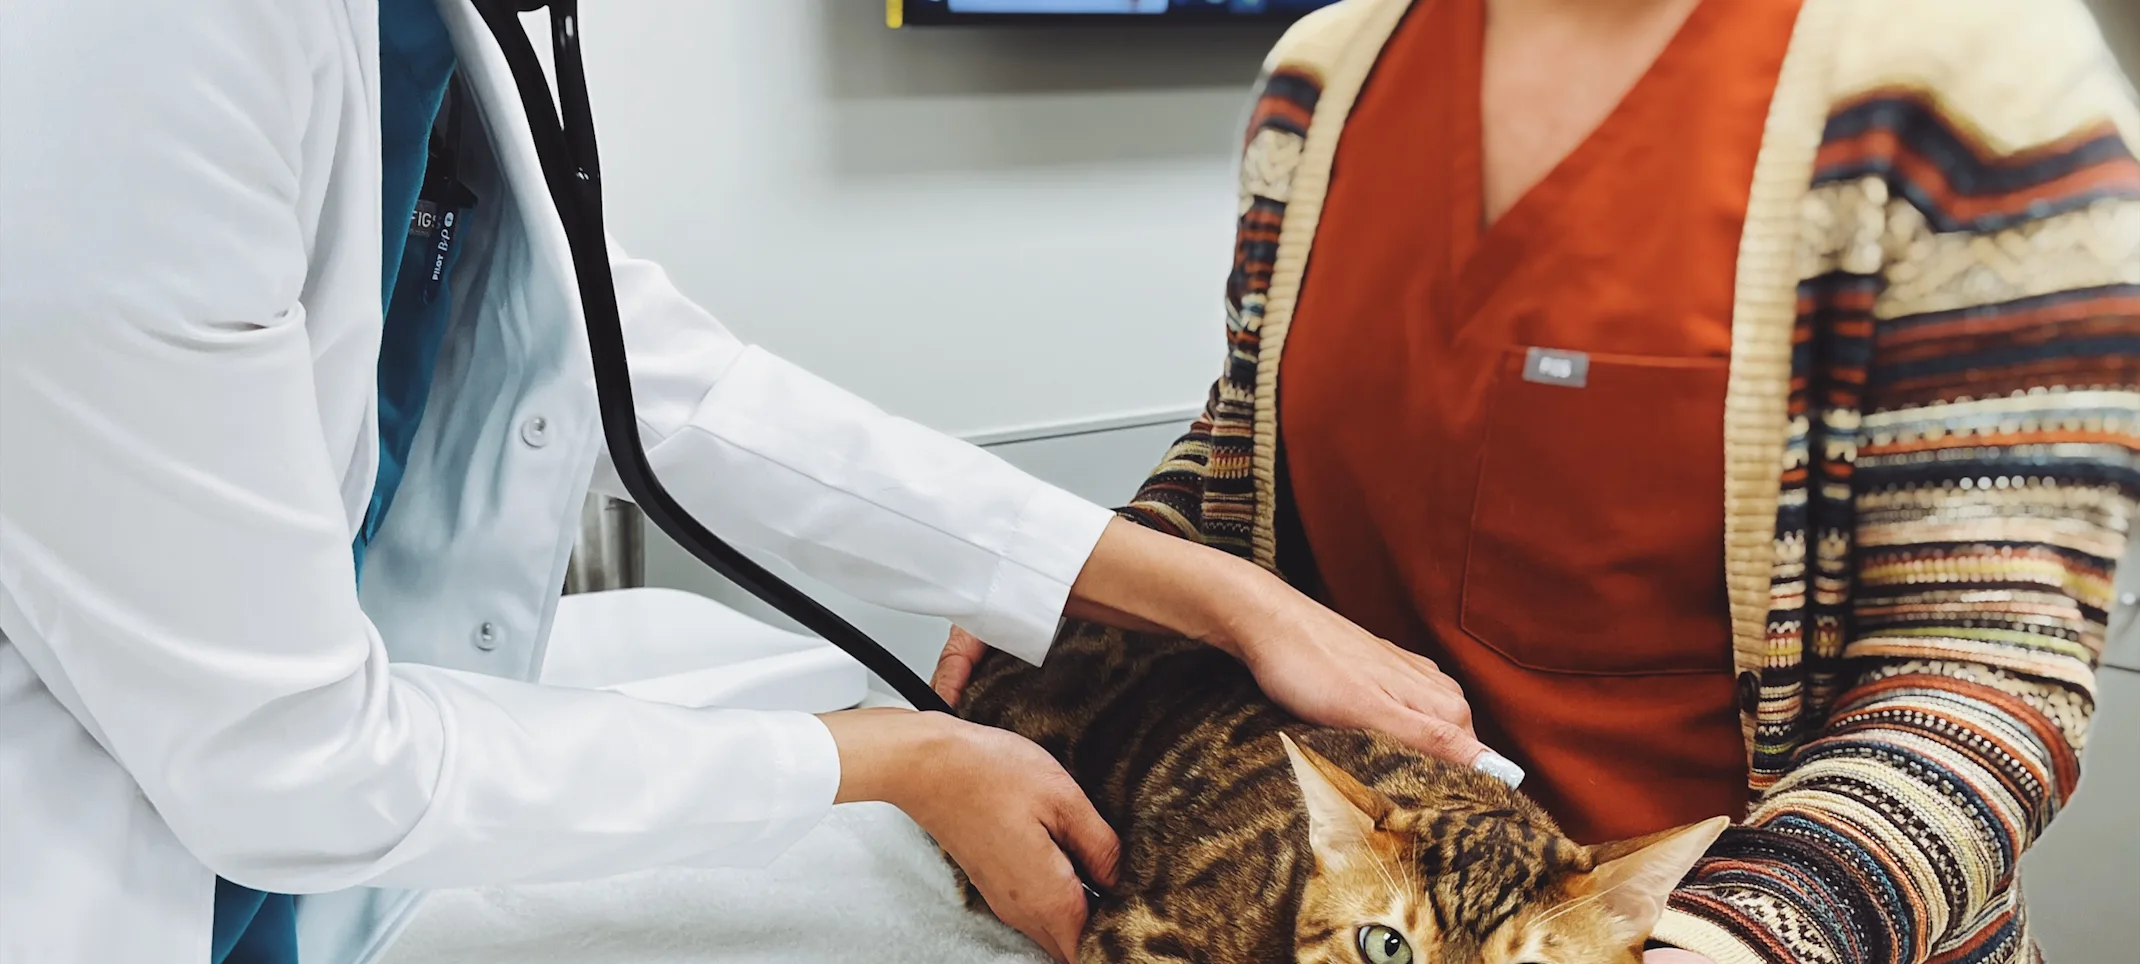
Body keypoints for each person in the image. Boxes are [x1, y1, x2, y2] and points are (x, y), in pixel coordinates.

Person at [0, 2, 1503, 963]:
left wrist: (1208, 589)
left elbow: (633, 362)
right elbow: (291, 763)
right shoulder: (133, 40)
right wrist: (884, 757)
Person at [929, 0, 2140, 961]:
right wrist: (1092, 579)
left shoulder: (1967, 93)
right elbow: (1248, 444)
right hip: (1362, 921)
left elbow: (1984, 670)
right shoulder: (1327, 78)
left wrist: (1737, 934)